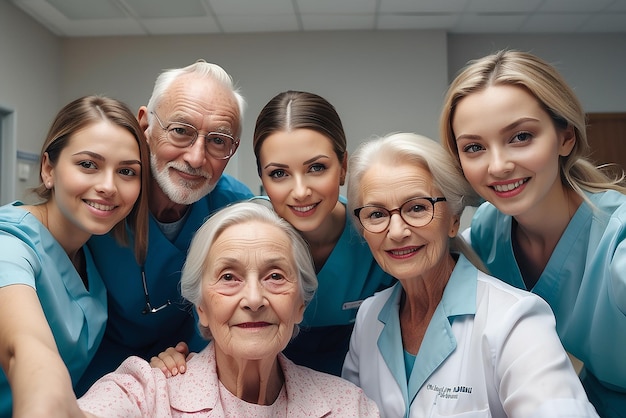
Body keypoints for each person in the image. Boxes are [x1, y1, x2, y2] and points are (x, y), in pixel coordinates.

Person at [341, 132, 598, 417]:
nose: (397, 232)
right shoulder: (368, 318)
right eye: (377, 214)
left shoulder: (514, 319)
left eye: (417, 208)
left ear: (453, 220)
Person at [440, 49, 626, 417]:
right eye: (474, 147)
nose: (498, 166)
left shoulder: (616, 241)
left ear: (566, 137)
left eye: (521, 137)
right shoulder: (486, 233)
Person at [77, 201, 379, 417]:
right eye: (228, 277)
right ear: (201, 307)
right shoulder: (145, 393)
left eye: (275, 276)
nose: (253, 299)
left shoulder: (349, 406)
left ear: (300, 304)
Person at [76, 60, 254, 394]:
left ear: (233, 150)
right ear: (145, 124)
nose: (196, 158)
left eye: (218, 141)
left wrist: (187, 356)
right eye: (181, 130)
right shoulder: (101, 197)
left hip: (183, 370)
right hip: (94, 368)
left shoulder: (233, 210)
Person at [0, 95, 150, 418]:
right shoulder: (9, 246)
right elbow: (26, 351)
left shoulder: (91, 255)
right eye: (88, 165)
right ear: (48, 169)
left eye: (126, 171)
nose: (108, 186)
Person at [251, 90, 394, 375]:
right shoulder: (243, 235)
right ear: (261, 178)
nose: (301, 191)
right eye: (279, 173)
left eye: (317, 168)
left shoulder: (376, 231)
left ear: (343, 168)